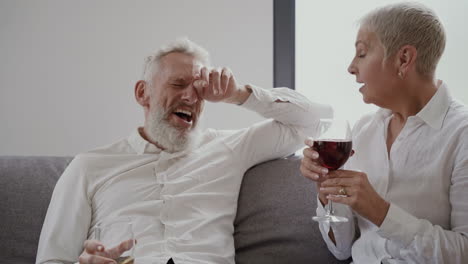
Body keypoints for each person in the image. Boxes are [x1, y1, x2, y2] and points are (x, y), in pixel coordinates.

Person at [36, 38, 333, 264]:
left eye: (199, 89)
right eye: (178, 84)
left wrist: (238, 94)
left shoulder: (230, 148)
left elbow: (317, 122)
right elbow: (51, 258)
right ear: (143, 93)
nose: (191, 96)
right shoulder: (89, 166)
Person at [300, 2, 468, 263]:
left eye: (362, 53)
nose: (351, 67)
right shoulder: (364, 131)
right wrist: (327, 192)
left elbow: (464, 252)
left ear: (403, 59)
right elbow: (341, 249)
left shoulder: (462, 134)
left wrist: (381, 212)